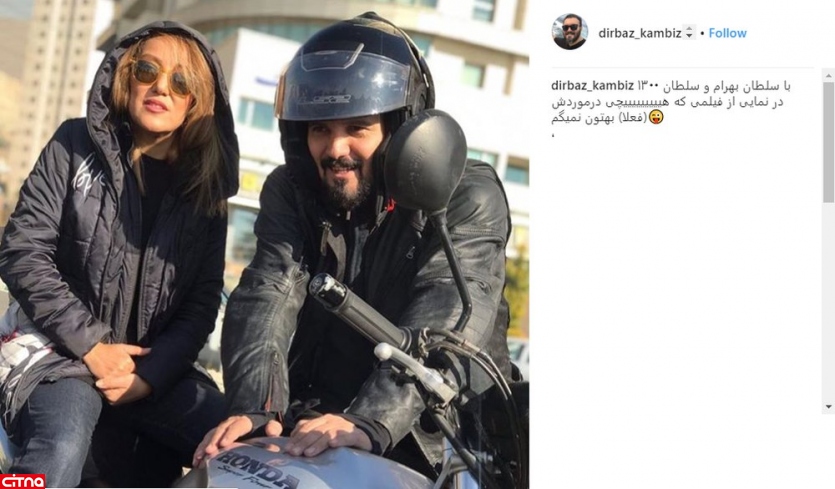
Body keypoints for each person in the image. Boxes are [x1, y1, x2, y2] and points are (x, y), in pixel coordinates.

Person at [194, 11, 513, 478]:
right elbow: (269, 293)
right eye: (320, 129)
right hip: (318, 423)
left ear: (401, 131)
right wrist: (258, 408)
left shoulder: (462, 194)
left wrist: (369, 419)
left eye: (357, 128)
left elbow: (446, 316)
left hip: (443, 439)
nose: (335, 149)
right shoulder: (294, 190)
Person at [0, 20, 239, 487]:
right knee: (61, 449)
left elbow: (202, 300)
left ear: (196, 100)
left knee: (243, 448)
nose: (161, 87)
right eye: (148, 70)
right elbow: (23, 250)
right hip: (59, 356)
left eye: (180, 81)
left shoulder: (206, 190)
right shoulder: (73, 144)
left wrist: (151, 374)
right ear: (127, 76)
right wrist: (92, 346)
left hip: (153, 371)